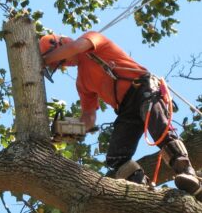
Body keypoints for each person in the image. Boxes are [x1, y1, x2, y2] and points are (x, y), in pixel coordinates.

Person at [39, 31, 202, 201]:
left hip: (142, 89)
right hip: (125, 109)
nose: (64, 65)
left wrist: (43, 60)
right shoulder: (82, 82)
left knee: (156, 125)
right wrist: (66, 130)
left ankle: (186, 171)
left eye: (60, 61)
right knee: (116, 158)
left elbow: (76, 47)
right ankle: (146, 193)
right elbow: (89, 119)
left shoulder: (91, 40)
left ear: (61, 43)